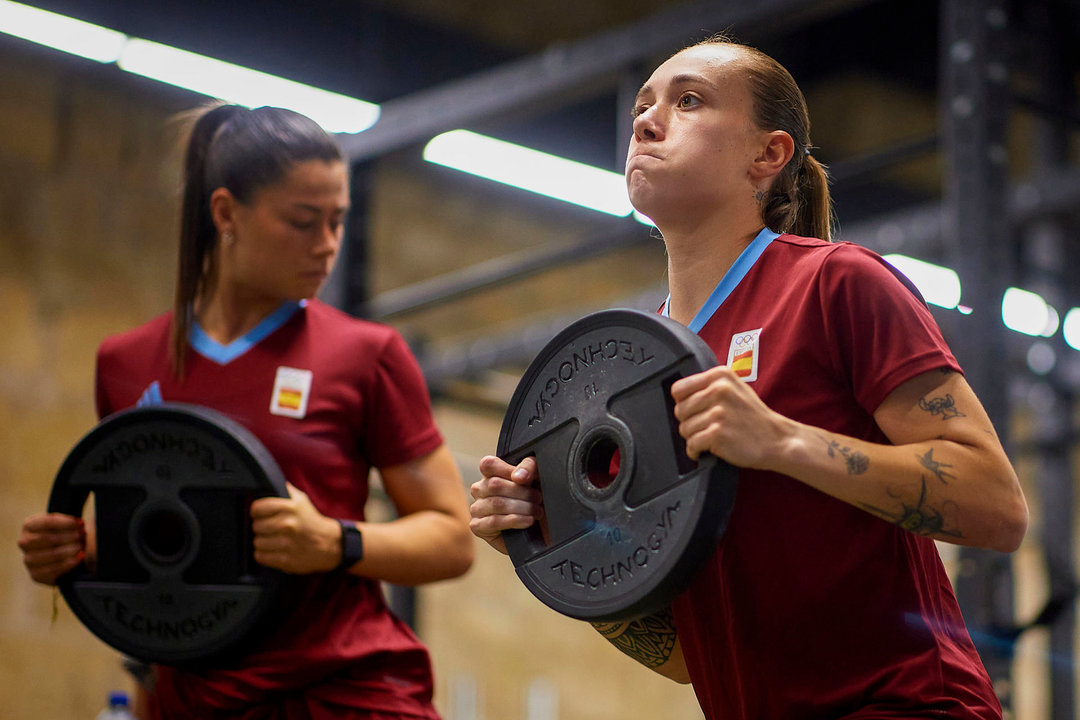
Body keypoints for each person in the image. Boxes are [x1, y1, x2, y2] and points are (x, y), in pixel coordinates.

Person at [469, 35, 1029, 720]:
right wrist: (563, 546)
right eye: (644, 105)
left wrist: (782, 441)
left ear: (769, 155)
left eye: (689, 100)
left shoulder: (834, 283)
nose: (646, 120)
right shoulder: (636, 364)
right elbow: (682, 659)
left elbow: (997, 508)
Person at [17, 104, 474, 719]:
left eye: (338, 221)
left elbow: (452, 539)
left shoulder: (368, 355)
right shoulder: (126, 363)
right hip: (191, 699)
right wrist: (81, 551)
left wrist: (335, 541)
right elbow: (161, 541)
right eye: (303, 222)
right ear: (226, 213)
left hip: (343, 694)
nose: (328, 245)